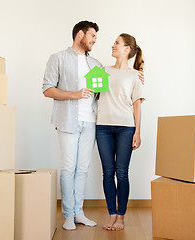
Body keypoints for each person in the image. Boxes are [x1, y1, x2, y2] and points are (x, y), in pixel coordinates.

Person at [42, 20, 101, 231]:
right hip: (67, 121)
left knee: (82, 169)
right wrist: (74, 95)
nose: (95, 40)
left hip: (90, 122)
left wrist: (134, 75)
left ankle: (79, 213)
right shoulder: (58, 58)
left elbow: (102, 94)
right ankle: (67, 215)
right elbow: (48, 89)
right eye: (92, 35)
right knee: (69, 168)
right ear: (80, 35)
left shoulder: (96, 64)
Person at [95, 33, 145, 231]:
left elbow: (137, 106)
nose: (112, 45)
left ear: (127, 49)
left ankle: (121, 216)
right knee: (108, 173)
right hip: (103, 127)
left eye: (117, 43)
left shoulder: (134, 75)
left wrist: (137, 132)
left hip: (126, 128)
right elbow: (93, 94)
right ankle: (112, 214)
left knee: (122, 173)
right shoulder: (102, 70)